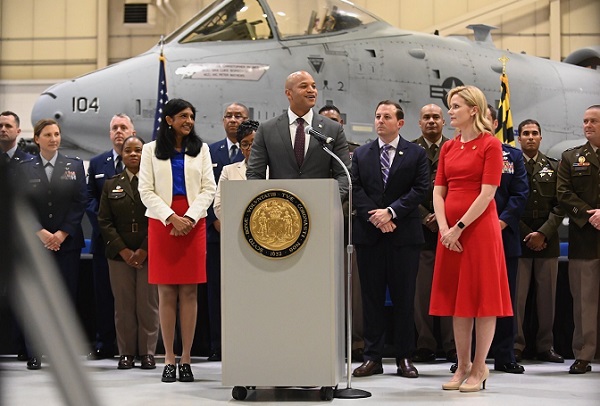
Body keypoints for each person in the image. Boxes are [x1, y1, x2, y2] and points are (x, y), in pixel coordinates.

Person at [430, 86, 512, 392]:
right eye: (450, 106)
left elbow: (488, 192)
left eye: (455, 106)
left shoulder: (491, 145)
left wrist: (459, 227)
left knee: (482, 299)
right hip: (449, 232)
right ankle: (462, 365)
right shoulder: (448, 147)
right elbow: (439, 191)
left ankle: (480, 368)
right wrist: (443, 229)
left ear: (473, 110)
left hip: (477, 230)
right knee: (458, 301)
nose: (450, 111)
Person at [138, 98, 216, 383]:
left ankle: (186, 358)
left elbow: (209, 188)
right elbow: (145, 190)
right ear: (169, 120)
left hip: (194, 222)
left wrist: (190, 219)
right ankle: (169, 357)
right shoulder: (150, 151)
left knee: (190, 293)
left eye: (192, 116)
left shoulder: (202, 150)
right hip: (162, 223)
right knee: (167, 293)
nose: (189, 121)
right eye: (183, 116)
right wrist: (172, 218)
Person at [351, 100, 429, 379]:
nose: (380, 121)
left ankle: (405, 357)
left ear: (400, 123)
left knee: (403, 299)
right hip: (370, 235)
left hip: (403, 236)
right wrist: (375, 216)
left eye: (386, 117)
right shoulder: (361, 154)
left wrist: (391, 212)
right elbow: (355, 187)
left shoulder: (416, 153)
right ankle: (372, 357)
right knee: (371, 299)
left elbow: (420, 188)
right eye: (377, 116)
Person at [19, 118, 87, 370]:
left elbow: (80, 201)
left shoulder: (74, 165)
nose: (53, 139)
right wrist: (40, 232)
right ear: (37, 139)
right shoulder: (25, 167)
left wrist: (61, 234)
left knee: (66, 299)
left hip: (66, 243)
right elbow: (20, 203)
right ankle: (34, 352)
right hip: (35, 244)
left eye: (57, 134)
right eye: (47, 134)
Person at [98, 135, 160, 370]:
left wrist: (144, 249)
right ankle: (126, 353)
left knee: (148, 304)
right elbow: (104, 221)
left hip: (149, 253)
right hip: (119, 255)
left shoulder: (153, 184)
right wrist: (123, 250)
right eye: (128, 151)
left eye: (138, 150)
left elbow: (158, 218)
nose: (133, 154)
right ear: (121, 155)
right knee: (123, 306)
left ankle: (148, 352)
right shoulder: (110, 183)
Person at [246, 70, 351, 201]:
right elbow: (254, 173)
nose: (311, 90)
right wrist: (266, 203)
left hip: (321, 208)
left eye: (313, 86)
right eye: (304, 86)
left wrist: (331, 201)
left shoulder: (333, 129)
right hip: (280, 210)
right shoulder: (267, 129)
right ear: (288, 93)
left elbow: (343, 174)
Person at [515, 119, 564, 363]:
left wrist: (543, 233)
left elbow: (560, 204)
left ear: (541, 138)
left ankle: (546, 345)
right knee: (517, 298)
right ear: (519, 138)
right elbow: (507, 203)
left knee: (547, 299)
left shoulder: (554, 167)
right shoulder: (510, 166)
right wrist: (528, 234)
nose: (530, 137)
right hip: (519, 240)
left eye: (535, 133)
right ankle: (516, 344)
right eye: (526, 133)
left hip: (548, 241)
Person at [86, 114, 134, 360]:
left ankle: (135, 347)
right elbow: (90, 199)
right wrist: (109, 228)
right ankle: (104, 343)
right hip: (103, 242)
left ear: (132, 130)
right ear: (109, 133)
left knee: (135, 298)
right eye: (114, 127)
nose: (119, 131)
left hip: (134, 243)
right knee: (104, 295)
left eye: (123, 127)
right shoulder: (97, 163)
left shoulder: (143, 161)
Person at [318, 104, 364, 361]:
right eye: (323, 122)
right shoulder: (305, 153)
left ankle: (356, 342)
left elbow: (358, 187)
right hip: (315, 229)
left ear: (341, 125)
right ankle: (322, 338)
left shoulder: (356, 153)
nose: (329, 126)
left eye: (334, 121)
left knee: (352, 290)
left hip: (348, 227)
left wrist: (336, 209)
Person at [411, 104, 456, 364]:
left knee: (451, 291)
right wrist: (423, 215)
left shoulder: (455, 147)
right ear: (419, 123)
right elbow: (403, 188)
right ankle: (425, 343)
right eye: (426, 117)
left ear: (443, 122)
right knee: (422, 293)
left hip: (450, 231)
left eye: (436, 117)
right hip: (419, 232)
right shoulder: (408, 150)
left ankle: (452, 344)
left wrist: (442, 217)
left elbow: (460, 187)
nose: (431, 121)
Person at [557, 105, 600, 375]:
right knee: (584, 302)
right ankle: (584, 353)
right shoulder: (571, 157)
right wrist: (590, 215)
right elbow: (563, 193)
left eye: (594, 121)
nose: (588, 125)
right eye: (585, 121)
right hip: (585, 239)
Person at [486, 105, 528, 375]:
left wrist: (501, 222)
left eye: (487, 118)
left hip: (503, 235)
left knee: (504, 298)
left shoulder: (511, 155)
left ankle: (504, 354)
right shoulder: (462, 150)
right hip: (472, 235)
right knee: (472, 297)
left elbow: (520, 193)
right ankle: (469, 355)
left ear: (494, 122)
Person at [206, 102, 247, 362]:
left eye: (238, 116)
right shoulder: (208, 152)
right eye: (228, 116)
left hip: (247, 237)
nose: (233, 120)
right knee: (217, 292)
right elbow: (204, 190)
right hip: (215, 233)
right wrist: (214, 221)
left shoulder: (261, 153)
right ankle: (217, 345)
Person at [1, 111, 34, 362]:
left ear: (18, 131)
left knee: (25, 296)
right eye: (0, 126)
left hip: (21, 239)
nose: (3, 129)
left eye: (8, 126)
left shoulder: (29, 162)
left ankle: (27, 346)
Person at [213, 119, 259, 219]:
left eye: (254, 142)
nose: (250, 148)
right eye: (245, 144)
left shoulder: (274, 168)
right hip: (236, 225)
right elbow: (218, 206)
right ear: (241, 148)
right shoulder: (228, 171)